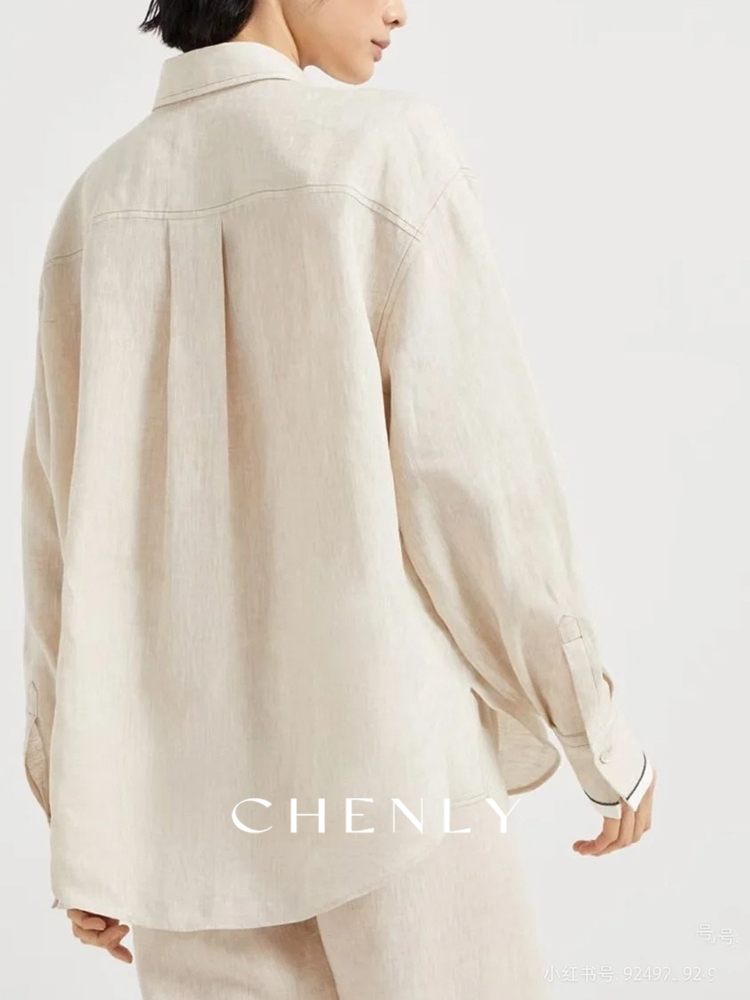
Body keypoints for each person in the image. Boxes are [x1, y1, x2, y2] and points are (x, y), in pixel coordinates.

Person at [20, 0, 656, 996]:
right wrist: (592, 728)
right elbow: (477, 483)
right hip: (393, 782)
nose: (401, 7)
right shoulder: (383, 152)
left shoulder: (95, 207)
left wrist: (84, 810)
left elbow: (60, 539)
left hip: (190, 825)